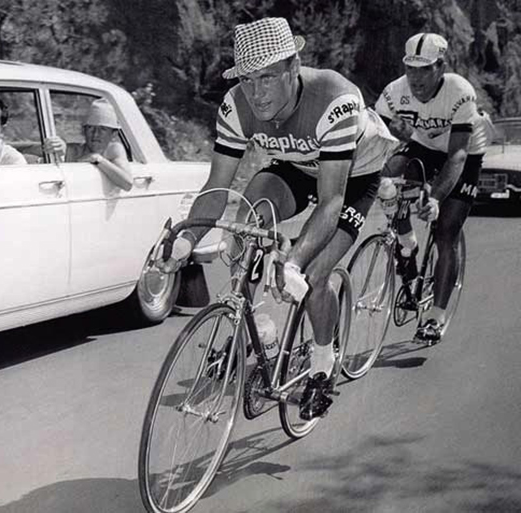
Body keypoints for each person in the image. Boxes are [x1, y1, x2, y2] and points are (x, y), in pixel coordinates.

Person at [159, 17, 397, 420]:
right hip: (296, 166)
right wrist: (183, 243)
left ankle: (323, 367)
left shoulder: (334, 98)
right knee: (249, 219)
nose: (257, 92)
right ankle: (252, 330)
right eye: (248, 80)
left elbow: (331, 201)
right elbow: (217, 187)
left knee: (315, 276)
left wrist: (294, 261)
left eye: (267, 78)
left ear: (293, 67)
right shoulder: (236, 105)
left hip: (351, 177)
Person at [374, 32, 490, 345]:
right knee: (386, 176)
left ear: (440, 67)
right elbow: (374, 141)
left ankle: (436, 317)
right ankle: (406, 239)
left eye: (424, 69)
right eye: (410, 68)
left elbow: (457, 155)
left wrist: (436, 198)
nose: (416, 77)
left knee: (446, 232)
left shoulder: (459, 92)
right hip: (424, 145)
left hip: (465, 151)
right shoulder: (394, 92)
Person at [45, 99, 133, 191]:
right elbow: (31, 149)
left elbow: (127, 184)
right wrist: (56, 144)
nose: (95, 134)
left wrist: (97, 159)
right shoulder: (74, 150)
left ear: (114, 133)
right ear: (84, 131)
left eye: (102, 129)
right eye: (90, 128)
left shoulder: (113, 149)